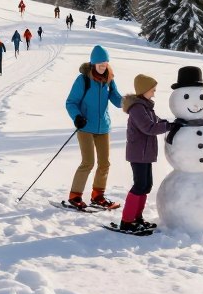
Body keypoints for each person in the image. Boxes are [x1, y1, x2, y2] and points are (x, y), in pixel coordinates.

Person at [64, 45, 123, 210]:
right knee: (88, 162)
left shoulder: (109, 79)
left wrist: (130, 102)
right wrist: (77, 116)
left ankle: (98, 195)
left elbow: (117, 99)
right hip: (85, 127)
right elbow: (71, 102)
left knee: (104, 163)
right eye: (100, 64)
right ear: (93, 64)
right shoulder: (83, 79)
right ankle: (75, 196)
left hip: (103, 127)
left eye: (105, 63)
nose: (103, 66)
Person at [118, 74, 171, 231]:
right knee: (139, 185)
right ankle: (127, 221)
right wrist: (169, 127)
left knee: (146, 185)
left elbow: (157, 122)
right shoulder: (137, 109)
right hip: (138, 154)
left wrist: (172, 123)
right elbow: (149, 128)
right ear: (144, 90)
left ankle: (137, 217)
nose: (154, 93)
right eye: (152, 90)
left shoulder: (146, 107)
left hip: (145, 154)